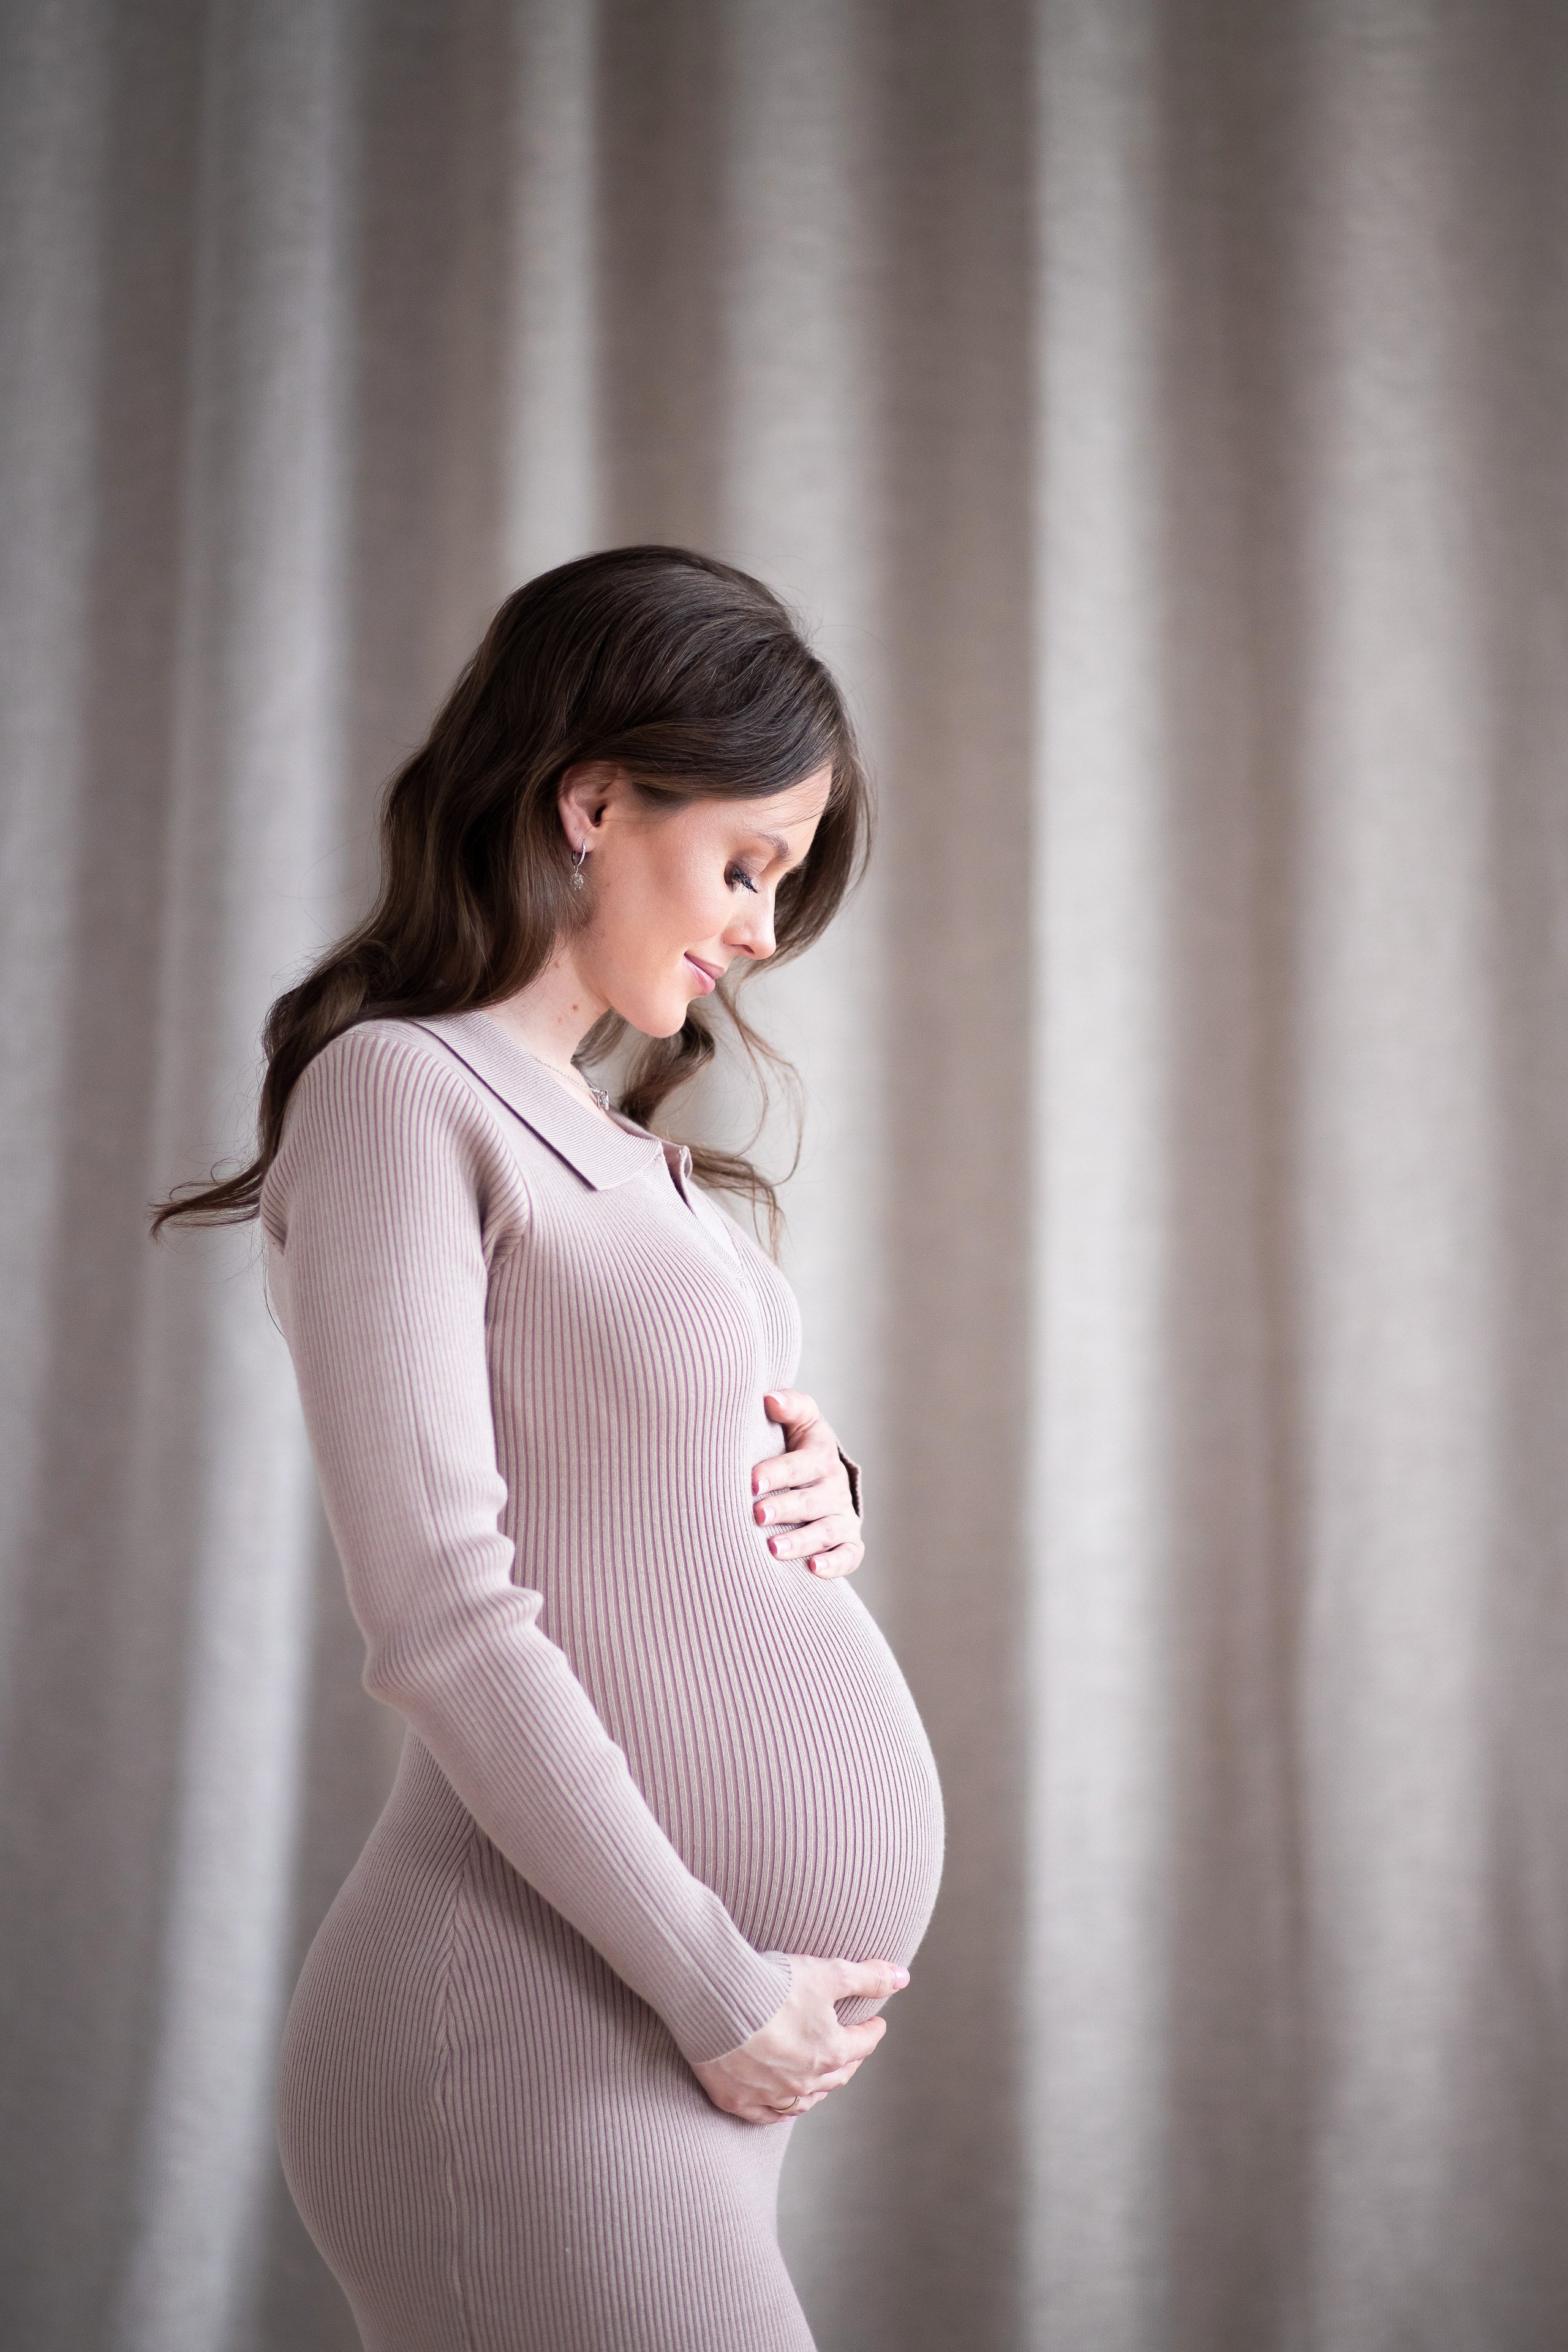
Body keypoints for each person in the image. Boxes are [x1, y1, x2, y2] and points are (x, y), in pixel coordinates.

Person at [153, 545, 945, 2351]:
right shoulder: (400, 1093)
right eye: (744, 863)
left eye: (784, 884)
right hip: (531, 2032)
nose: (761, 929)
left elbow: (642, 1511)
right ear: (593, 798)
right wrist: (715, 1984)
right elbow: (439, 1607)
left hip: (668, 2042)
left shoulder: (635, 1158)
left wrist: (824, 1495)